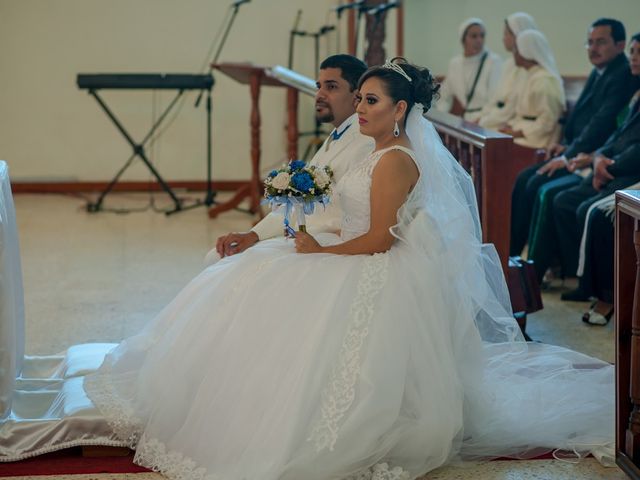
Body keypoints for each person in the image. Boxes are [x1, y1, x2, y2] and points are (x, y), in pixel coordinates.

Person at [84, 59, 614, 480]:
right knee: (252, 275)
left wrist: (318, 253)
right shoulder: (376, 150)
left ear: (400, 108)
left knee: (267, 282)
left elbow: (382, 239)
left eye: (371, 100)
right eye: (359, 98)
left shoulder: (393, 160)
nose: (360, 108)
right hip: (350, 245)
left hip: (373, 262)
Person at [210, 54, 372, 262]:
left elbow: (352, 216)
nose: (319, 95)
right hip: (306, 234)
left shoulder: (365, 143)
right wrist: (253, 234)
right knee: (217, 257)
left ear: (357, 96)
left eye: (331, 87)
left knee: (224, 261)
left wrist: (300, 236)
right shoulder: (336, 136)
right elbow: (299, 203)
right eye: (319, 86)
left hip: (328, 243)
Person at [510, 18, 634, 258]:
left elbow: (600, 124)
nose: (593, 48)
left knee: (539, 183)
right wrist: (565, 146)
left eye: (600, 42)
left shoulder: (622, 75)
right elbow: (582, 120)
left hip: (592, 158)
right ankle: (515, 256)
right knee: (526, 177)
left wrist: (568, 155)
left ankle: (533, 265)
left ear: (620, 45)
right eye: (589, 43)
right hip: (578, 152)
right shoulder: (600, 71)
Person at [554, 33, 640, 299]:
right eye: (633, 51)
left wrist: (607, 166)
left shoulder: (624, 85)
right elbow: (617, 135)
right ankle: (581, 280)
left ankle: (605, 292)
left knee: (592, 212)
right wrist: (599, 157)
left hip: (629, 172)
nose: (633, 58)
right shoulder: (636, 93)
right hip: (611, 165)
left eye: (638, 53)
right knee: (569, 201)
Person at [499, 30, 565, 149]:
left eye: (516, 49)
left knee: (499, 147)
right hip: (525, 132)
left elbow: (548, 122)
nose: (513, 53)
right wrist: (510, 127)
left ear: (526, 51)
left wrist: (517, 133)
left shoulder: (544, 80)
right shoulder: (528, 76)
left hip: (538, 140)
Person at [479, 12, 538, 130]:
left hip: (513, 126)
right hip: (499, 121)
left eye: (507, 33)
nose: (503, 38)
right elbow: (496, 100)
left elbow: (511, 108)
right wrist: (482, 117)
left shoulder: (528, 67)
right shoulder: (508, 64)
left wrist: (484, 121)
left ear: (519, 34)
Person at [437, 18, 502, 122]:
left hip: (486, 120)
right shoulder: (455, 63)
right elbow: (443, 94)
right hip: (464, 122)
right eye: (474, 36)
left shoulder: (493, 61)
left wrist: (481, 118)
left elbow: (494, 99)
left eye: (482, 36)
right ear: (463, 39)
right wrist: (444, 116)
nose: (479, 40)